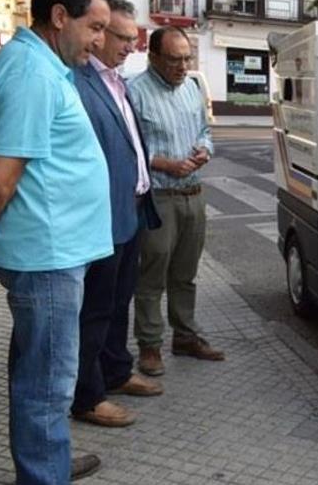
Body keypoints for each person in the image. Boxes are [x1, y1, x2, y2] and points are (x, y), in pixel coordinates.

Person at [0, 0, 113, 482]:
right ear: (59, 17)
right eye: (94, 27)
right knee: (48, 385)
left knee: (37, 372)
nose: (100, 41)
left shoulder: (41, 66)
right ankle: (43, 472)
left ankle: (46, 457)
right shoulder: (32, 74)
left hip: (51, 252)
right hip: (47, 257)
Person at [70, 0, 164, 429]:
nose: (131, 46)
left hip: (130, 211)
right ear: (100, 32)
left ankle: (116, 371)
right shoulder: (78, 80)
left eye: (135, 38)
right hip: (100, 217)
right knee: (95, 311)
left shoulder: (116, 80)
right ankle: (87, 396)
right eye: (123, 38)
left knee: (118, 302)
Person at [128, 26, 224, 377]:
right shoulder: (134, 93)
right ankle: (150, 346)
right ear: (153, 57)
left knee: (186, 274)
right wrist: (165, 163)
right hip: (159, 198)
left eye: (187, 58)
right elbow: (130, 147)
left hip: (194, 195)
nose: (183, 66)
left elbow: (205, 132)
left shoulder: (192, 88)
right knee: (152, 274)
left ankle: (185, 336)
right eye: (174, 59)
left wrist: (204, 151)